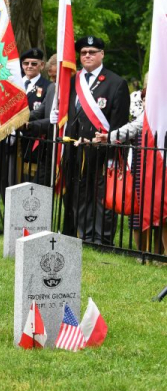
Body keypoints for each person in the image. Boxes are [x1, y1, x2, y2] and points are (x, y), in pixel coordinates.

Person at [53, 36, 130, 244]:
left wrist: (113, 151)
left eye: (92, 52)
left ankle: (102, 240)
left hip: (103, 152)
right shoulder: (72, 81)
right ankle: (84, 236)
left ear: (102, 54)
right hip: (76, 149)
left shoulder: (116, 83)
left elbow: (119, 123)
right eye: (84, 52)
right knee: (79, 195)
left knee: (103, 199)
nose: (87, 55)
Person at [91, 73, 150, 250]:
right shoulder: (145, 106)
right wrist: (109, 137)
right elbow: (134, 127)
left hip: (162, 162)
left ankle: (160, 256)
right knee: (140, 208)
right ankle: (144, 254)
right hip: (141, 160)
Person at [18, 48, 54, 181]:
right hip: (12, 140)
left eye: (34, 64)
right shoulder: (14, 84)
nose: (29, 66)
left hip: (34, 141)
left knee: (29, 181)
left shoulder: (48, 86)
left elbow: (43, 113)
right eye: (26, 63)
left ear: (42, 65)